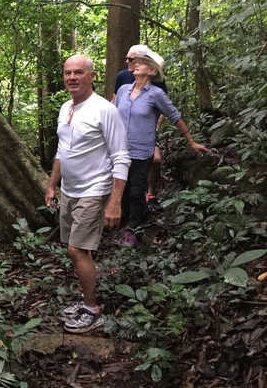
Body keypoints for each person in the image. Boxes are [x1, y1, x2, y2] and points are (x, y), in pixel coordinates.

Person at [45, 54, 130, 333]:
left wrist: (115, 202)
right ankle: (87, 301)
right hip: (70, 190)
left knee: (77, 249)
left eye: (79, 72)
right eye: (68, 72)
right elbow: (62, 150)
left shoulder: (105, 110)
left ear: (91, 76)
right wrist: (51, 184)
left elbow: (121, 156)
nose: (72, 77)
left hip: (95, 189)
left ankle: (92, 312)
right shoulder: (65, 107)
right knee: (77, 250)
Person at [114, 51, 207, 246]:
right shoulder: (123, 90)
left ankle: (132, 230)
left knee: (137, 190)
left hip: (141, 151)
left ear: (151, 71)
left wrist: (191, 141)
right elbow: (111, 116)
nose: (136, 65)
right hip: (119, 151)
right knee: (122, 188)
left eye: (142, 63)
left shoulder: (156, 95)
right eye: (136, 62)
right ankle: (127, 220)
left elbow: (175, 117)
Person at [111, 45, 167, 211]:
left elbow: (164, 108)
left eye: (131, 59)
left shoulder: (157, 85)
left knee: (155, 160)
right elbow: (114, 102)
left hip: (145, 133)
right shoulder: (122, 78)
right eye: (127, 58)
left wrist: (155, 127)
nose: (127, 62)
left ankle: (151, 194)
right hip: (122, 134)